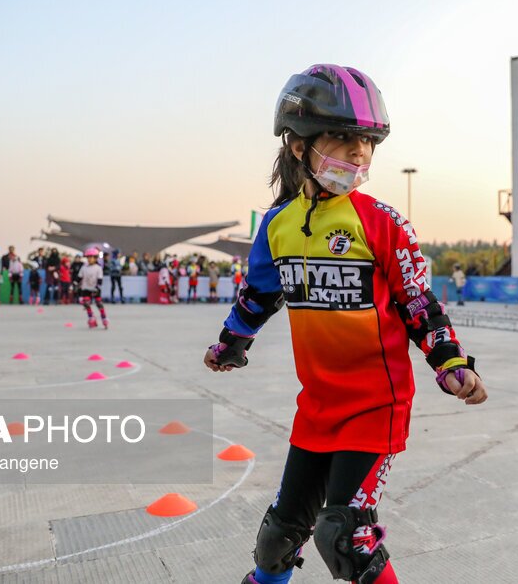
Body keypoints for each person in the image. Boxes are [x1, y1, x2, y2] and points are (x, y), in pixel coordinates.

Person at [204, 64, 487, 584]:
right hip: (316, 405)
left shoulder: (382, 223)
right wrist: (230, 344)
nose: (359, 152)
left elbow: (419, 304)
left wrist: (449, 361)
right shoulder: (277, 225)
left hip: (375, 405)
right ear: (298, 146)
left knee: (347, 537)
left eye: (367, 141)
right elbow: (259, 295)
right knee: (278, 537)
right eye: (342, 137)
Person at [77, 247, 108, 329]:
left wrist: (97, 287)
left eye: (92, 257)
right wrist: (74, 284)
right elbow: (79, 277)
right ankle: (91, 318)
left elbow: (100, 280)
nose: (90, 259)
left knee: (99, 304)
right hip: (86, 288)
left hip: (95, 289)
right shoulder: (84, 268)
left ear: (96, 258)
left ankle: (104, 318)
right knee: (86, 303)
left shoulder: (98, 268)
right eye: (88, 257)